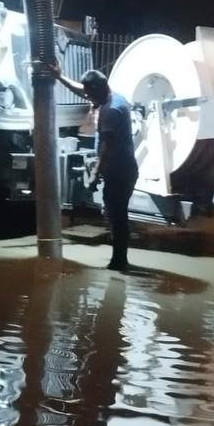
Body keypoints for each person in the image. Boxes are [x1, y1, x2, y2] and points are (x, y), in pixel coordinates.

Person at [49, 64, 138, 271]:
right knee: (116, 213)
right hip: (121, 169)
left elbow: (106, 147)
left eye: (90, 94)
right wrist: (60, 77)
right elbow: (82, 90)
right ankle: (119, 259)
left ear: (99, 89)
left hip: (120, 171)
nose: (87, 98)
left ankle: (119, 261)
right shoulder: (113, 97)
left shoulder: (112, 110)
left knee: (117, 216)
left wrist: (94, 175)